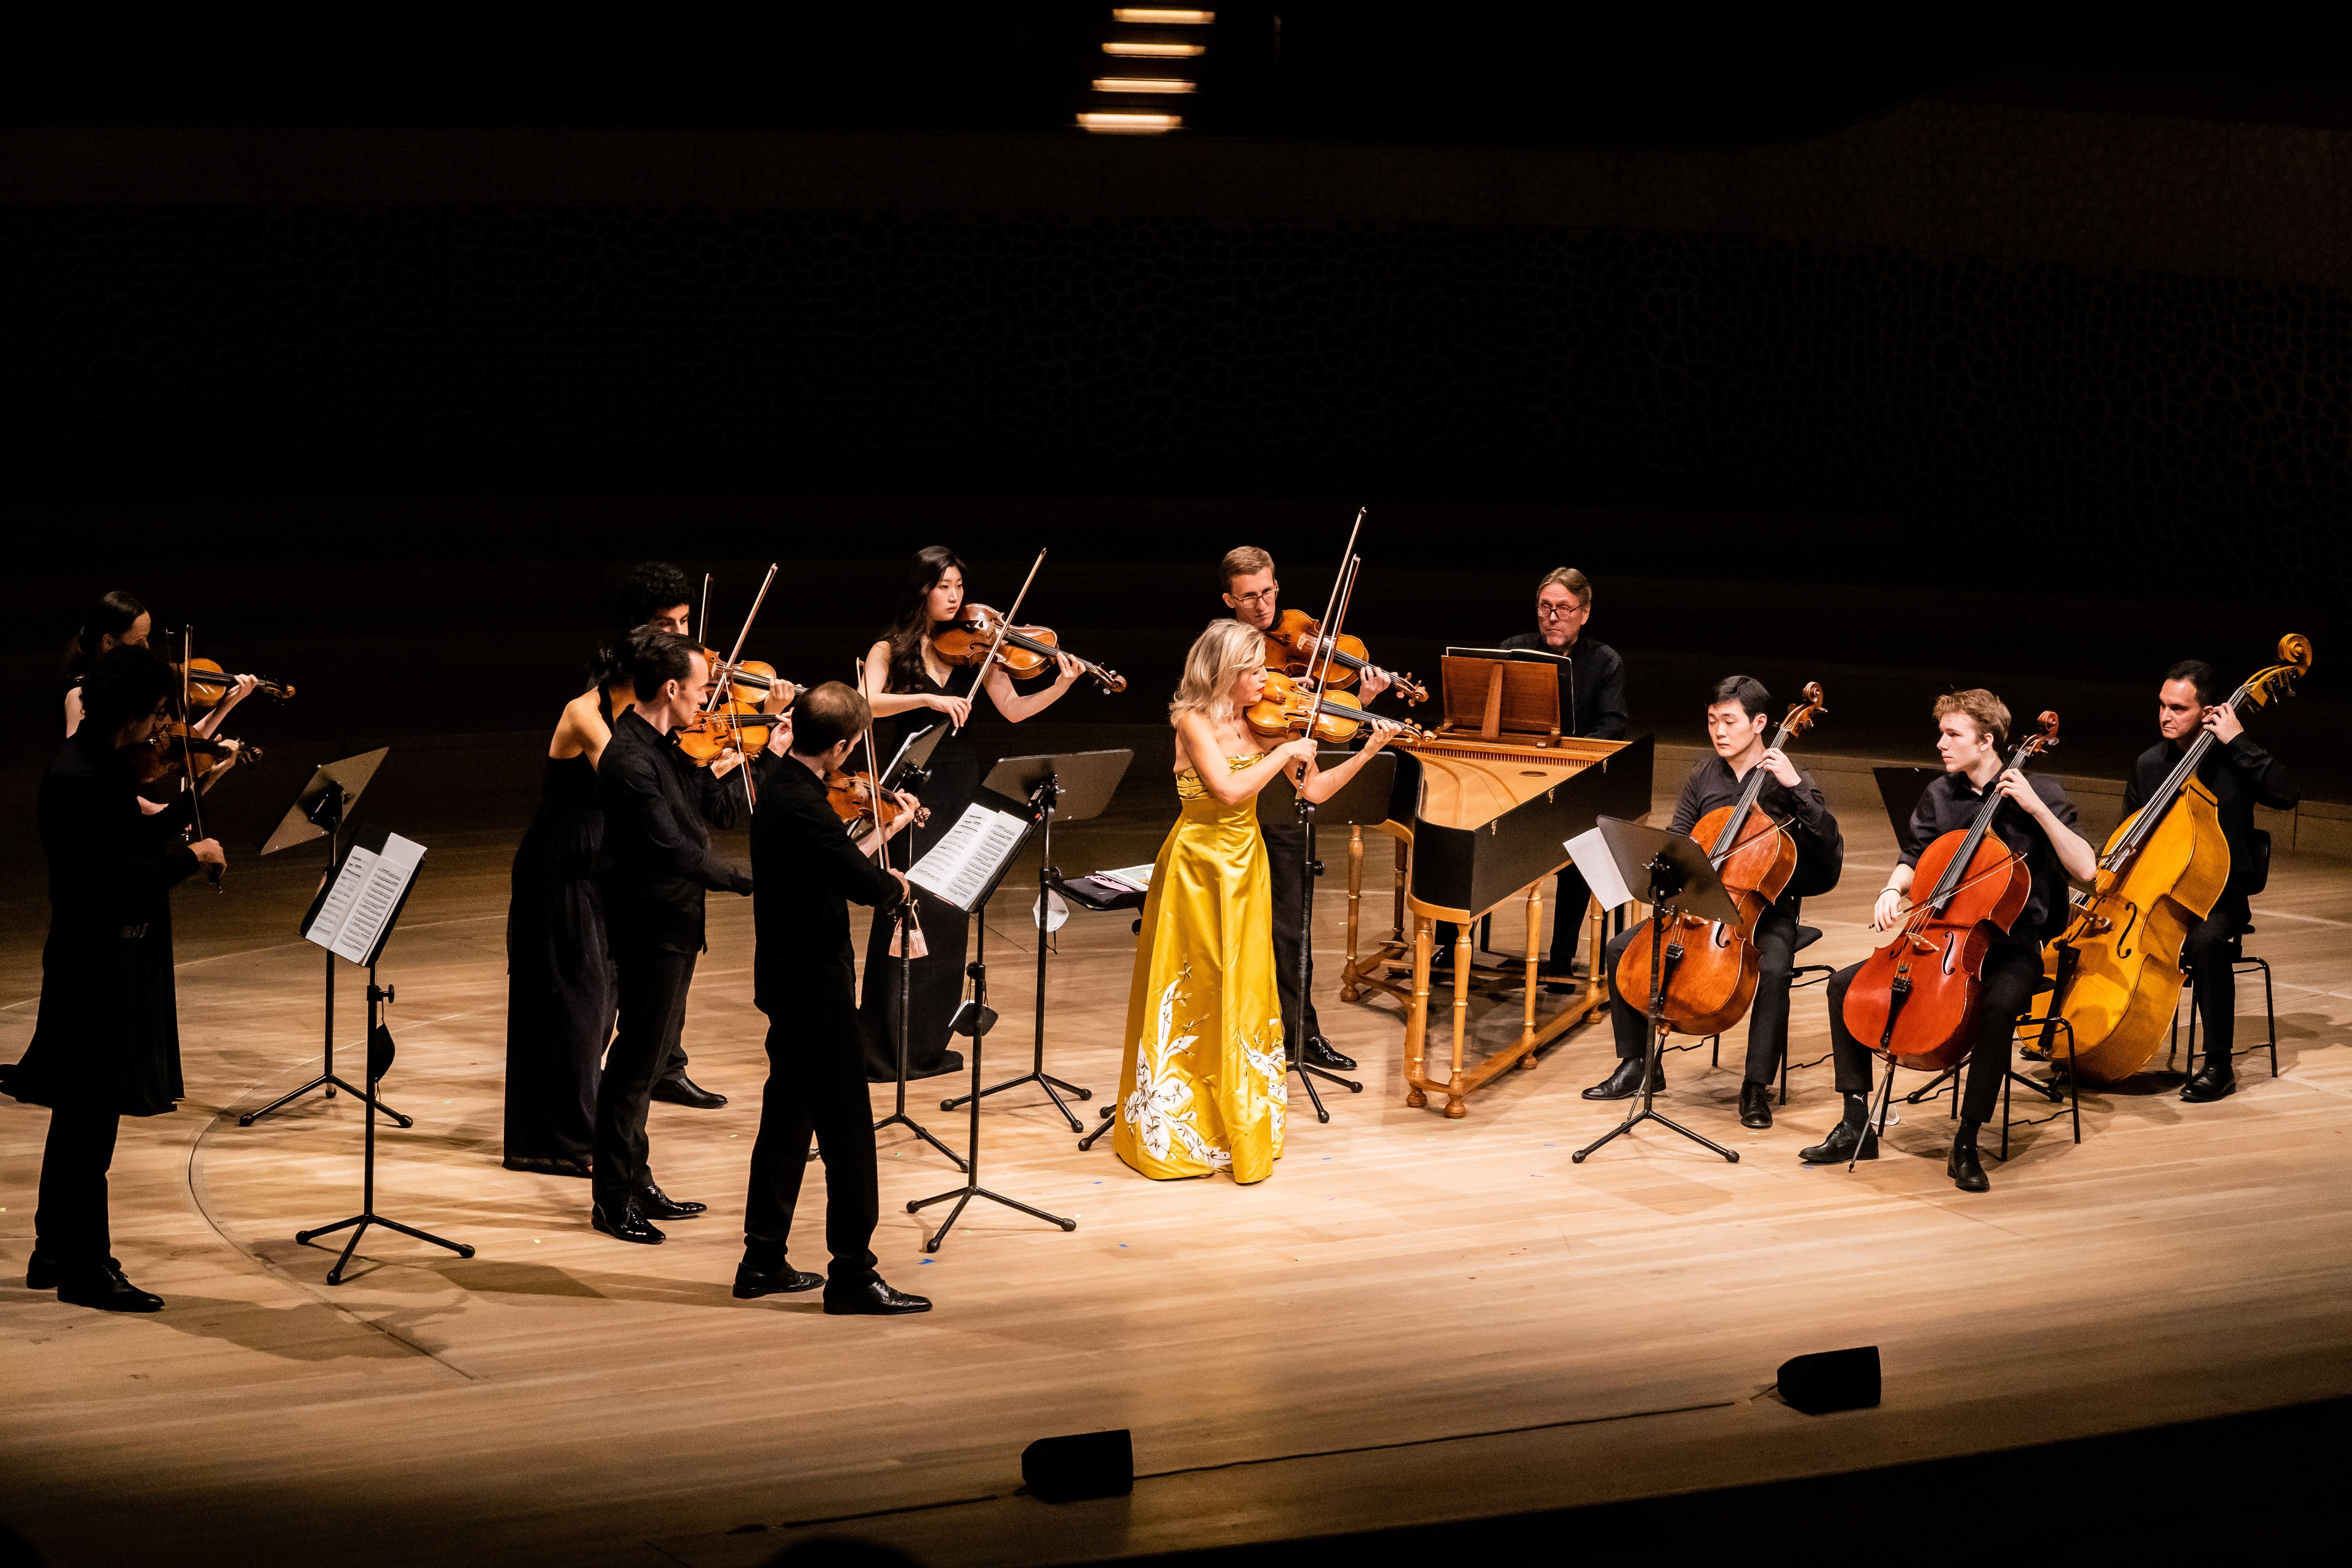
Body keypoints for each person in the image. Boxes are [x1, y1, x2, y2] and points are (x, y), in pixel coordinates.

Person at [1112, 620, 1399, 1183]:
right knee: (1192, 985)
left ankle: (1235, 1119)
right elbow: (1228, 789)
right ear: (1225, 674)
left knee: (1242, 989)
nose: (1268, 680)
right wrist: (1285, 749)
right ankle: (1178, 1119)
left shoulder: (1264, 726)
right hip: (1197, 867)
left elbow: (1311, 790)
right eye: (1255, 671)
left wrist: (1366, 751)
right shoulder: (1192, 722)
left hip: (1246, 868)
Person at [502, 564, 762, 1175]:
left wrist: (727, 755)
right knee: (576, 999)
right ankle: (559, 1139)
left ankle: (591, 1127)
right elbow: (628, 784)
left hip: (609, 856)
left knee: (608, 994)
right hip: (565, 859)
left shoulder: (650, 723)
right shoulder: (588, 713)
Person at [1800, 690, 2095, 1192]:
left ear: (1986, 740)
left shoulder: (2040, 790)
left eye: (1952, 734)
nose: (1940, 743)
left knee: (1999, 1008)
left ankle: (1967, 1139)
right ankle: (1856, 1123)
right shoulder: (1941, 794)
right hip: (1939, 939)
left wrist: (2036, 810)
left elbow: (2087, 869)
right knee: (1844, 987)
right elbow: (1914, 857)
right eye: (1941, 733)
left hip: (2011, 945)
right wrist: (1892, 889)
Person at [8, 645, 226, 1311]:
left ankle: (54, 1250)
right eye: (159, 713)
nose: (164, 726)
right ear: (129, 713)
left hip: (91, 960)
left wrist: (189, 810)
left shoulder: (97, 768)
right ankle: (86, 1270)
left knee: (77, 1118)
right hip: (91, 966)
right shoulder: (84, 780)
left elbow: (131, 845)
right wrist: (192, 857)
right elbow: (120, 885)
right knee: (89, 1128)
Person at [737, 682, 933, 1315]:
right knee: (849, 1132)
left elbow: (833, 864)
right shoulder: (805, 803)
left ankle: (762, 1256)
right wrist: (897, 885)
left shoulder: (780, 784)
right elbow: (861, 884)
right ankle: (852, 1273)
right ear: (844, 744)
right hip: (814, 986)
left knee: (788, 1119)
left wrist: (879, 840)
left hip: (787, 980)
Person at [590, 629, 788, 1244]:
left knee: (648, 1062)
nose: (710, 699)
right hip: (650, 923)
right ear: (672, 688)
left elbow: (722, 810)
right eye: (703, 688)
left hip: (678, 920)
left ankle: (636, 1176)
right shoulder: (626, 758)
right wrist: (751, 880)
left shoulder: (672, 746)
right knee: (634, 1062)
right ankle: (612, 1197)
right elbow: (673, 849)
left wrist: (771, 754)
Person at [856, 546, 1083, 1082]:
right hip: (911, 785)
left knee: (949, 912)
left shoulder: (978, 650)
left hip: (961, 784)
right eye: (944, 586)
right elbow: (866, 702)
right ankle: (886, 1047)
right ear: (922, 590)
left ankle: (928, 1045)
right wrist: (927, 702)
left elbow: (1014, 709)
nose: (956, 596)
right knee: (904, 906)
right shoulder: (891, 648)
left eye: (960, 585)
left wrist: (1061, 683)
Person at [1581, 676, 1843, 1128]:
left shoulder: (1789, 781)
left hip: (1763, 911)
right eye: (1711, 721)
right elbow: (1679, 839)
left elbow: (1828, 847)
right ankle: (1637, 1065)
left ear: (1760, 723)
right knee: (1621, 948)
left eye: (1729, 721)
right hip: (1700, 904)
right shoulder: (1704, 775)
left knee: (1775, 969)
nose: (1718, 732)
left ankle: (1755, 1087)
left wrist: (1796, 785)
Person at [1219, 545, 1391, 1072]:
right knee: (1232, 933)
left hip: (1282, 802)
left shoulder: (1295, 647)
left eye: (1269, 591)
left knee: (1292, 927)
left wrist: (1354, 699)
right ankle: (1239, 1041)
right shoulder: (1221, 650)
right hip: (1231, 816)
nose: (1264, 605)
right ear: (1229, 599)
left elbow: (1301, 729)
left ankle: (1302, 1035)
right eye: (1249, 597)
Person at [1439, 566, 1629, 984]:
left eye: (1563, 608)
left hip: (1572, 783)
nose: (1552, 616)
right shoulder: (1513, 648)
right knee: (1460, 832)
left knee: (1580, 848)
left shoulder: (1604, 662)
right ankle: (1449, 948)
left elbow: (1612, 726)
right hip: (1517, 777)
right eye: (1545, 607)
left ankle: (1561, 959)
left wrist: (1568, 759)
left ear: (1584, 613)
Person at [2137, 659, 2300, 1103]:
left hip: (2220, 899)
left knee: (2204, 943)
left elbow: (2286, 794)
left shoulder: (2234, 760)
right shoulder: (2150, 765)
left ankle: (2218, 1065)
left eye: (2178, 708)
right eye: (2162, 706)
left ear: (2209, 711)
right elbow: (2127, 833)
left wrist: (2239, 741)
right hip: (2155, 894)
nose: (2165, 716)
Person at [62, 591, 258, 741]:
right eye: (139, 640)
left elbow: (177, 748)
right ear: (108, 642)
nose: (146, 648)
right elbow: (81, 772)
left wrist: (226, 705)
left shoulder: (141, 689)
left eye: (147, 638)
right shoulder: (80, 694)